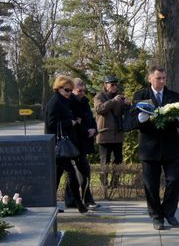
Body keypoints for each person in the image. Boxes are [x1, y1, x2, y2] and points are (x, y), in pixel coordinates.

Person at [131, 66, 179, 230]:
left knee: (174, 180)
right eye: (158, 78)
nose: (162, 81)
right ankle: (156, 216)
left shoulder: (174, 96)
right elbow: (131, 122)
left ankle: (169, 212)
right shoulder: (141, 96)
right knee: (151, 185)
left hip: (171, 147)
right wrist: (141, 119)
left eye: (164, 78)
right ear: (150, 78)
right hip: (149, 148)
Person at [45, 75, 87, 214]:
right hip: (58, 144)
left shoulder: (64, 100)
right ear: (59, 88)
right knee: (71, 173)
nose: (69, 92)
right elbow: (51, 123)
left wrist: (74, 119)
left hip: (61, 144)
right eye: (67, 90)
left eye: (70, 90)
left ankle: (50, 204)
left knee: (57, 175)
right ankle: (79, 204)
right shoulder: (55, 102)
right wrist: (70, 122)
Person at [65, 78, 99, 209]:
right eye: (80, 90)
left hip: (84, 141)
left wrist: (94, 129)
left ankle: (74, 200)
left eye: (84, 90)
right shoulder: (70, 102)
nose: (82, 93)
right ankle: (84, 199)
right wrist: (86, 131)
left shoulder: (84, 102)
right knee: (81, 172)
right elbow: (75, 122)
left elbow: (90, 118)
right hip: (75, 142)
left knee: (79, 172)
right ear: (73, 90)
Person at [93, 75, 130, 196]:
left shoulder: (119, 97)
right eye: (112, 84)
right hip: (105, 134)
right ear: (105, 85)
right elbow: (99, 109)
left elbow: (125, 112)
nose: (114, 87)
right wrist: (113, 101)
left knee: (118, 160)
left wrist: (127, 104)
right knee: (105, 160)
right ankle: (104, 184)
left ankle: (115, 183)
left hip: (117, 134)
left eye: (116, 84)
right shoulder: (99, 96)